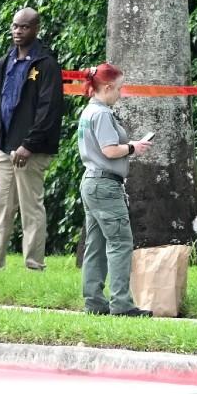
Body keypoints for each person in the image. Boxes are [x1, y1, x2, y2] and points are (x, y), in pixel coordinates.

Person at [0, 7, 65, 271]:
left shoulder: (46, 64)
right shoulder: (5, 60)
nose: (18, 31)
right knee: (0, 206)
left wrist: (29, 144)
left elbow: (49, 109)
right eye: (15, 26)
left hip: (32, 149)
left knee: (31, 209)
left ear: (36, 29)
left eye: (24, 27)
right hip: (5, 146)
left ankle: (33, 266)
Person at [76, 63, 153, 316]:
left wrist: (129, 145)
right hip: (106, 185)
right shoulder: (103, 114)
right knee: (120, 243)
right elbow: (110, 150)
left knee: (95, 245)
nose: (121, 93)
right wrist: (133, 147)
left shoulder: (88, 112)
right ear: (107, 87)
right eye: (119, 88)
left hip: (91, 181)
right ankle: (122, 304)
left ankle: (94, 302)